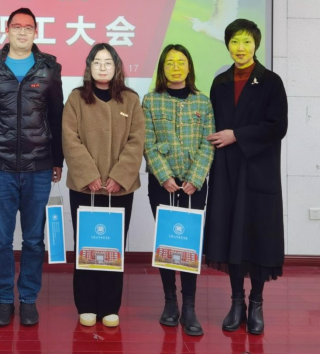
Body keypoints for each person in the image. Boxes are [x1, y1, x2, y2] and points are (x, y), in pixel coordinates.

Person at [0, 8, 64, 327]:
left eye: (29, 27)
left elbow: (57, 116)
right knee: (0, 240)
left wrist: (57, 160)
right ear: (7, 30)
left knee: (33, 239)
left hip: (38, 166)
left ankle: (28, 299)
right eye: (17, 26)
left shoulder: (49, 68)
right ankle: (3, 299)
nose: (23, 32)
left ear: (36, 32)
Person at [204, 19, 288, 335]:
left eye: (247, 42)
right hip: (226, 171)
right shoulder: (220, 82)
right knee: (231, 236)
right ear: (227, 45)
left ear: (256, 45)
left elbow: (278, 126)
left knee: (257, 235)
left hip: (258, 172)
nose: (240, 48)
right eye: (235, 42)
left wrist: (237, 135)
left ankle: (256, 302)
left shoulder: (271, 82)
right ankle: (236, 301)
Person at [63, 43, 145, 328]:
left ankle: (110, 306)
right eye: (96, 62)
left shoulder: (130, 99)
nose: (102, 67)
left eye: (108, 62)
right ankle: (86, 304)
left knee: (113, 245)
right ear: (89, 66)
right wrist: (88, 174)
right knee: (86, 244)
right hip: (84, 188)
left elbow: (137, 140)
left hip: (119, 189)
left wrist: (120, 175)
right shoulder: (76, 98)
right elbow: (70, 138)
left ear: (116, 67)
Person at [143, 44, 215, 337]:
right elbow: (147, 142)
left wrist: (196, 178)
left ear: (189, 67)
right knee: (167, 241)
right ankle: (170, 302)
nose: (175, 67)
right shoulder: (151, 101)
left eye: (181, 62)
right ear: (162, 68)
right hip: (163, 184)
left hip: (193, 185)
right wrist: (163, 176)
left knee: (188, 244)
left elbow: (208, 144)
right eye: (170, 62)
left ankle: (190, 307)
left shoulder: (203, 102)